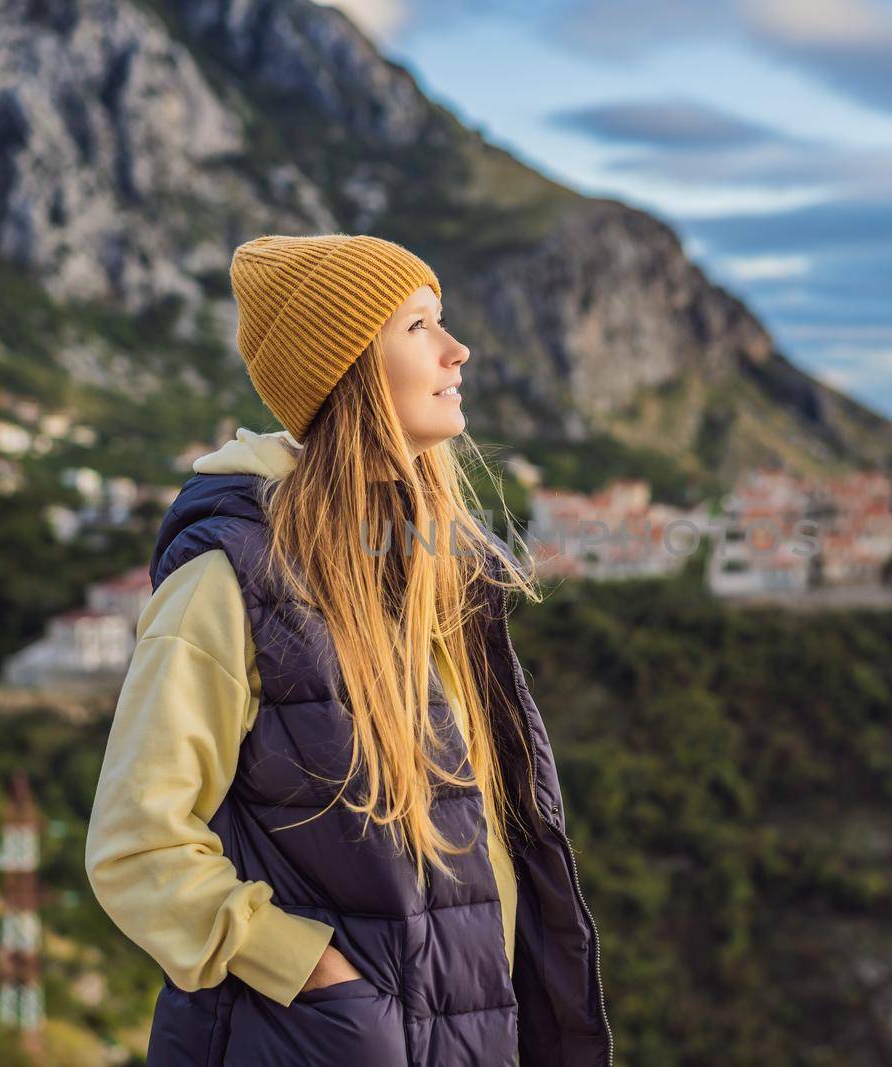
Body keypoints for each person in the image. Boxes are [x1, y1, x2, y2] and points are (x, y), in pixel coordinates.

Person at [84, 234, 612, 1066]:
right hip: (321, 1041)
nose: (457, 348)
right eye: (418, 326)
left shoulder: (435, 570)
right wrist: (310, 972)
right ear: (349, 369)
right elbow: (134, 843)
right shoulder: (229, 581)